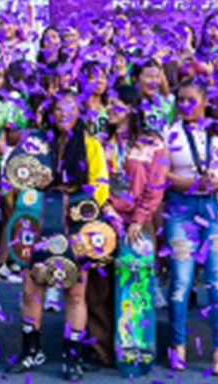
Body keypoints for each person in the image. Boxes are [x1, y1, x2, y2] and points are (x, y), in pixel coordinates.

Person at [7, 92, 110, 382]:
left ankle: (72, 356)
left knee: (75, 292)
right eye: (58, 109)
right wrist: (24, 200)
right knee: (31, 289)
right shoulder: (36, 142)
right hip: (39, 219)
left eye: (70, 108)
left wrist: (74, 202)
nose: (64, 114)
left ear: (80, 112)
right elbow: (16, 178)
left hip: (75, 223)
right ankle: (30, 351)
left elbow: (101, 186)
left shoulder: (90, 145)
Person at [84, 85, 168, 368]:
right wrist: (107, 211)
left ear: (131, 107)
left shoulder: (152, 142)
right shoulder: (99, 141)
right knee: (99, 287)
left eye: (116, 103)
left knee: (135, 285)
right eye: (108, 103)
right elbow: (93, 180)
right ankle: (101, 350)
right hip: (104, 220)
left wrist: (140, 219)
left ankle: (134, 349)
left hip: (138, 225)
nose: (109, 108)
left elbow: (156, 184)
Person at [163, 80, 218, 375]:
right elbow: (165, 175)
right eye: (180, 100)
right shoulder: (169, 132)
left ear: (206, 101)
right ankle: (178, 346)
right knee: (181, 282)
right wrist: (194, 183)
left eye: (191, 100)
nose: (185, 106)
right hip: (181, 211)